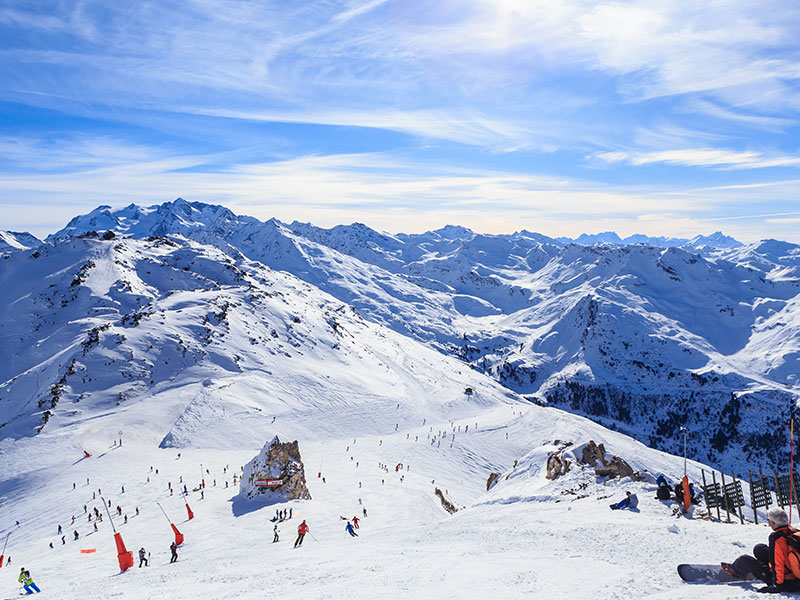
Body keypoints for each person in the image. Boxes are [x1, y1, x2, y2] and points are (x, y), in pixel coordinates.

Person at [722, 507, 800, 593]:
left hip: (786, 582)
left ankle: (735, 570)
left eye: (769, 520)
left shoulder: (776, 537)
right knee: (759, 549)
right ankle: (761, 570)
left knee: (744, 560)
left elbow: (777, 563)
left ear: (773, 523)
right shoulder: (794, 532)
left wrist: (776, 585)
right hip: (795, 574)